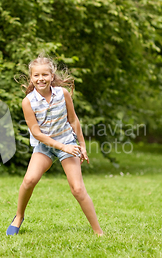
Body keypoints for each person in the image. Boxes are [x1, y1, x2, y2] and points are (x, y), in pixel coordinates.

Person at [6, 54, 103, 236]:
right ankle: (19, 216)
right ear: (31, 77)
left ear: (52, 76)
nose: (40, 79)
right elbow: (36, 133)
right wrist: (62, 147)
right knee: (29, 180)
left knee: (78, 189)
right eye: (36, 75)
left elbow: (73, 120)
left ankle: (99, 232)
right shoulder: (28, 102)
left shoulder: (62, 94)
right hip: (45, 145)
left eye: (44, 75)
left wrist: (81, 145)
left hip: (67, 141)